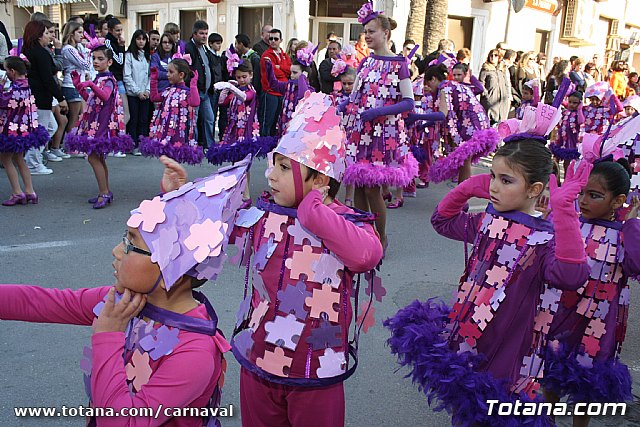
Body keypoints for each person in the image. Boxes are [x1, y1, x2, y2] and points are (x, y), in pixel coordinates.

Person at [161, 92, 384, 427]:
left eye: (283, 167)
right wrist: (179, 195)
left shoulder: (345, 222)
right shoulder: (265, 214)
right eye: (272, 164)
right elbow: (213, 233)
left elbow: (368, 254)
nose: (270, 175)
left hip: (315, 365)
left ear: (320, 180)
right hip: (260, 357)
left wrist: (312, 211)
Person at [386, 114, 592, 425]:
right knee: (465, 408)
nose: (494, 186)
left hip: (508, 349)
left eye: (506, 180)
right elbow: (442, 221)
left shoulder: (546, 238)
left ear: (535, 189)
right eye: (493, 176)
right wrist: (467, 187)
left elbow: (572, 276)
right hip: (468, 335)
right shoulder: (489, 219)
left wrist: (564, 214)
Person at [0, 160, 239, 425]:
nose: (116, 251)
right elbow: (40, 302)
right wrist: (176, 204)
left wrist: (107, 336)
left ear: (170, 270)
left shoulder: (195, 352)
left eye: (130, 243)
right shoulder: (128, 302)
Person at [543, 144, 640, 427]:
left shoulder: (625, 234)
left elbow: (635, 266)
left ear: (618, 200)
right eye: (582, 192)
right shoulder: (572, 221)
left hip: (599, 321)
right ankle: (546, 420)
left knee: (585, 381)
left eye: (595, 195)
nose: (584, 200)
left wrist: (632, 224)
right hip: (561, 311)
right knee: (552, 370)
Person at [341, 3, 416, 248]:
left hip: (384, 135)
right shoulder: (365, 63)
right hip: (360, 133)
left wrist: (379, 112)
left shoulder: (399, 64)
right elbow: (355, 97)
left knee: (373, 189)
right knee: (360, 187)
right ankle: (365, 237)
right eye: (366, 32)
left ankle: (381, 238)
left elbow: (408, 103)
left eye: (372, 31)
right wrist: (338, 105)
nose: (368, 36)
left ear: (386, 33)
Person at [65, 45, 133, 209]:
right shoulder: (99, 78)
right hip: (96, 122)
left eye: (100, 58)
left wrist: (90, 84)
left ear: (109, 62)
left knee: (93, 157)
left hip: (103, 124)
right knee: (98, 158)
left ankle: (104, 192)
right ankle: (105, 191)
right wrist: (79, 86)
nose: (96, 61)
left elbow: (104, 95)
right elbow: (92, 98)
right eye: (94, 58)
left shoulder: (108, 79)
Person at [422, 63, 498, 184]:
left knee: (465, 160)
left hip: (470, 126)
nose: (429, 87)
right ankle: (461, 195)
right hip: (478, 123)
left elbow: (442, 114)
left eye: (428, 83)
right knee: (465, 161)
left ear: (434, 79)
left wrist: (419, 118)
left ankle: (462, 196)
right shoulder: (453, 85)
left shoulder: (444, 88)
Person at [0, 56, 49, 205]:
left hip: (12, 130)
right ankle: (29, 191)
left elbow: (2, 101)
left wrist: (1, 86)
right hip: (25, 128)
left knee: (6, 159)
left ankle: (17, 192)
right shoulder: (26, 86)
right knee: (19, 158)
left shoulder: (15, 89)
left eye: (6, 70)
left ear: (13, 72)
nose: (6, 73)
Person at [22, 20, 68, 175]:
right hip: (40, 97)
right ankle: (32, 162)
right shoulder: (39, 53)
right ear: (38, 35)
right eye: (47, 33)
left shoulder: (30, 50)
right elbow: (47, 78)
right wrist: (60, 98)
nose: (50, 36)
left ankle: (31, 158)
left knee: (50, 127)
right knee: (42, 129)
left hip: (35, 96)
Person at [140, 58, 203, 165]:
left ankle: (176, 180)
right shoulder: (168, 90)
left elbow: (195, 102)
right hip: (166, 131)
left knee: (174, 162)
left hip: (179, 132)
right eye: (167, 71)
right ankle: (173, 180)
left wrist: (193, 85)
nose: (167, 74)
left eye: (171, 72)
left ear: (181, 75)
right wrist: (154, 80)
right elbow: (154, 97)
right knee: (168, 161)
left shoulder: (186, 92)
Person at [264, 43, 315, 136]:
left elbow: (302, 95)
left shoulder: (311, 91)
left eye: (295, 73)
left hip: (299, 132)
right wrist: (269, 68)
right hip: (285, 128)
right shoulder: (288, 86)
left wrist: (302, 78)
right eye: (291, 72)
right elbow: (274, 84)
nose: (291, 75)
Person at [185, 20, 216, 146]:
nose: (204, 36)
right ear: (194, 34)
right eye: (201, 33)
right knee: (193, 119)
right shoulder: (188, 48)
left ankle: (210, 145)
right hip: (195, 91)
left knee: (210, 119)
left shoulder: (204, 48)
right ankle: (192, 145)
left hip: (205, 91)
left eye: (206, 33)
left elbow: (208, 67)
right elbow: (188, 69)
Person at [61, 21, 92, 150]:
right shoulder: (68, 49)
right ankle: (69, 145)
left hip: (78, 85)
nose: (82, 35)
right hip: (71, 85)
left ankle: (75, 143)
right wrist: (88, 53)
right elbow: (85, 64)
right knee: (74, 117)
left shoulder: (77, 48)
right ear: (71, 33)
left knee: (81, 116)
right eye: (79, 32)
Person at [259, 28, 291, 137]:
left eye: (275, 39)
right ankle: (263, 145)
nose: (273, 41)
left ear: (280, 40)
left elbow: (290, 70)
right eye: (270, 38)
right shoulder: (266, 55)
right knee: (267, 121)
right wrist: (283, 70)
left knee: (277, 122)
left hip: (282, 92)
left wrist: (280, 67)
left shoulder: (284, 55)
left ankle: (272, 145)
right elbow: (274, 74)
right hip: (270, 92)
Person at [104, 17, 128, 157]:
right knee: (118, 114)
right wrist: (121, 46)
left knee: (125, 113)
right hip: (113, 80)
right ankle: (114, 144)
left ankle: (116, 142)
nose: (120, 33)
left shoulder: (114, 41)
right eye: (117, 30)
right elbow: (118, 61)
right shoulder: (108, 42)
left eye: (121, 30)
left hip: (119, 79)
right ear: (111, 30)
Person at [124, 30, 151, 156]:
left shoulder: (147, 56)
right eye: (138, 39)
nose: (141, 41)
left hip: (145, 93)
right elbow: (127, 76)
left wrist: (147, 90)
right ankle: (133, 145)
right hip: (133, 94)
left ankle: (142, 144)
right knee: (133, 120)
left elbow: (151, 76)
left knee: (144, 120)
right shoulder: (129, 55)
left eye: (143, 39)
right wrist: (138, 91)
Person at [551, 90, 584, 174]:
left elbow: (581, 121)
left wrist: (580, 109)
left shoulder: (578, 114)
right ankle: (555, 178)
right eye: (570, 102)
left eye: (575, 103)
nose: (572, 104)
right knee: (555, 159)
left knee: (567, 162)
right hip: (561, 138)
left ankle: (566, 179)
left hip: (571, 140)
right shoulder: (565, 111)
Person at [479, 48, 511, 125]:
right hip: (490, 100)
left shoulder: (502, 68)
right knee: (490, 123)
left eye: (495, 55)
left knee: (501, 124)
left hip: (502, 101)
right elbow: (481, 83)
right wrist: (486, 95)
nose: (493, 57)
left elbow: (506, 83)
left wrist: (507, 95)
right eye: (491, 55)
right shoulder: (485, 69)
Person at [208, 32, 229, 143]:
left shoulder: (220, 57)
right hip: (213, 90)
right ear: (210, 44)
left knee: (217, 115)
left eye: (220, 43)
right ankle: (209, 139)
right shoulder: (209, 56)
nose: (219, 45)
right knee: (211, 116)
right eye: (217, 43)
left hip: (220, 89)